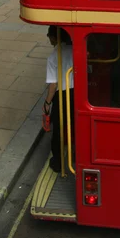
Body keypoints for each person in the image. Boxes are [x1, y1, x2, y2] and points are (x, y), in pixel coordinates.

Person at [44, 26, 74, 173]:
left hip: (62, 96)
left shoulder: (52, 57)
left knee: (58, 130)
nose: (48, 38)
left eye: (48, 35)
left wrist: (47, 103)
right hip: (77, 93)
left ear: (54, 37)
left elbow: (53, 84)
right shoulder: (75, 50)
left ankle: (58, 162)